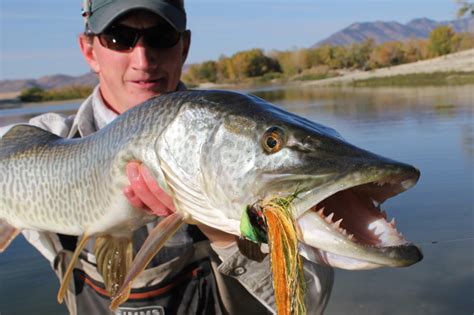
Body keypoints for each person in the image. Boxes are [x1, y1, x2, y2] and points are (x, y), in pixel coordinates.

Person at [2, 1, 334, 314]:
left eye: (161, 37)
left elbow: (309, 302)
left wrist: (227, 236)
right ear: (89, 50)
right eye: (120, 38)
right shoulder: (44, 140)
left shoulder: (244, 145)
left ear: (184, 47)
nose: (143, 60)